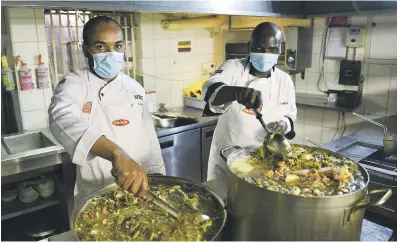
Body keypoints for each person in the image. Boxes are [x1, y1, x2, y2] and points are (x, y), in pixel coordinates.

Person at [48, 16, 165, 205]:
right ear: (87, 50)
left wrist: (159, 177)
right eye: (101, 47)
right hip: (96, 196)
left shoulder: (134, 88)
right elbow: (61, 115)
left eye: (117, 46)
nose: (112, 53)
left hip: (140, 191)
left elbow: (149, 139)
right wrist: (117, 153)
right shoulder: (75, 84)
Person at [203, 22, 297, 181]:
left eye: (272, 50)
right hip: (227, 161)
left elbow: (290, 117)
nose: (266, 54)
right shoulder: (233, 68)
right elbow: (209, 89)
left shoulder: (285, 80)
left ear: (280, 50)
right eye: (259, 48)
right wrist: (236, 92)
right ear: (249, 47)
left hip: (266, 166)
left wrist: (283, 125)